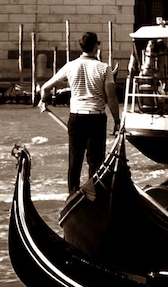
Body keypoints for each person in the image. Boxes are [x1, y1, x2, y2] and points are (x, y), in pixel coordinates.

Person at [38, 31, 117, 194]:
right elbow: (111, 97)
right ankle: (94, 195)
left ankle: (73, 193)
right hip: (96, 118)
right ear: (96, 46)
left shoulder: (70, 66)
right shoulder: (104, 68)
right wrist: (117, 120)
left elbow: (45, 87)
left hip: (76, 118)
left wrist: (44, 100)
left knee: (75, 159)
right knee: (95, 161)